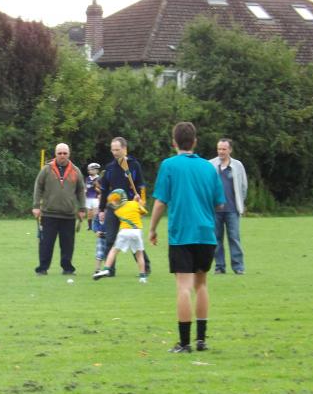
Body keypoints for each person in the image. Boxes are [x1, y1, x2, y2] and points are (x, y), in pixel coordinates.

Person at [149, 122, 225, 354]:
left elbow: (161, 201)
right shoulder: (208, 168)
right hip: (206, 234)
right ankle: (201, 340)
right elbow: (219, 202)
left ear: (174, 142)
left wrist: (152, 228)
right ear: (195, 141)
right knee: (201, 285)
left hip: (182, 234)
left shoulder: (169, 165)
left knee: (183, 287)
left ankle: (184, 343)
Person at [97, 137, 151, 275]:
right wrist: (102, 209)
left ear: (124, 149)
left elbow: (141, 185)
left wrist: (141, 200)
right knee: (110, 238)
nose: (114, 152)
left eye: (117, 149)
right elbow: (104, 190)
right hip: (113, 208)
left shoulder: (134, 165)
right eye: (113, 150)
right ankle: (110, 270)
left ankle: (145, 267)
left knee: (133, 240)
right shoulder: (109, 168)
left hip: (130, 208)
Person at [32, 143, 86, 275]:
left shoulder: (75, 170)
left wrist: (82, 208)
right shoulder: (46, 169)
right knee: (46, 244)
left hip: (68, 215)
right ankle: (42, 268)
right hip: (48, 213)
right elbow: (38, 187)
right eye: (59, 153)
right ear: (55, 154)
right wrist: (36, 206)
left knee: (68, 245)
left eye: (65, 153)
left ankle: (67, 268)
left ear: (69, 154)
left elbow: (80, 191)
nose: (62, 156)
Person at [93, 189, 148, 283]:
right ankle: (143, 277)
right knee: (139, 254)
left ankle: (106, 268)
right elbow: (143, 213)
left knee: (114, 251)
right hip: (136, 232)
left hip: (124, 232)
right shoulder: (134, 204)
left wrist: (136, 201)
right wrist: (139, 202)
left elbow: (125, 207)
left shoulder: (117, 210)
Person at [210, 138, 248, 275]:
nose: (221, 151)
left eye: (224, 149)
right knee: (216, 239)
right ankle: (220, 267)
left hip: (232, 209)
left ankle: (238, 267)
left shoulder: (238, 166)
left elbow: (243, 186)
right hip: (215, 210)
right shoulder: (210, 165)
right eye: (219, 149)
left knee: (234, 238)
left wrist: (240, 204)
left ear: (230, 150)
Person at [84, 162, 101, 230]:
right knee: (89, 214)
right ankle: (90, 227)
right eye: (89, 169)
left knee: (95, 214)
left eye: (91, 169)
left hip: (96, 198)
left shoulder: (99, 178)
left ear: (96, 170)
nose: (89, 171)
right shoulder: (87, 178)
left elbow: (101, 190)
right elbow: (86, 188)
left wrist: (96, 187)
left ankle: (96, 227)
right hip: (88, 198)